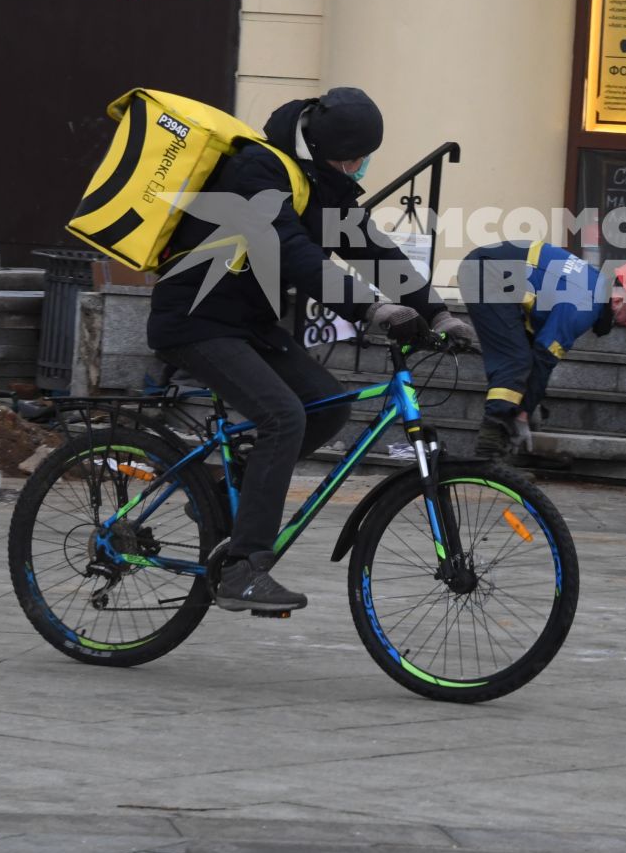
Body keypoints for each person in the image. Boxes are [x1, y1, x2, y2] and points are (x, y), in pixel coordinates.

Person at [146, 87, 479, 613]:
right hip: (196, 321)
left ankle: (231, 487)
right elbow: (292, 253)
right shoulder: (259, 170)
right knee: (283, 417)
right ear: (338, 152)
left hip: (249, 324)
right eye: (358, 157)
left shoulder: (319, 183)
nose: (362, 166)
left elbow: (371, 246)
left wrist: (435, 309)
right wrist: (369, 309)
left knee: (327, 405)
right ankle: (242, 570)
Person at [457, 242, 626, 462]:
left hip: (490, 272)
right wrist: (523, 415)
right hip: (486, 274)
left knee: (522, 358)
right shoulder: (584, 305)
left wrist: (527, 404)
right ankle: (487, 455)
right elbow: (544, 357)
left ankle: (500, 453)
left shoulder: (593, 285)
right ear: (619, 301)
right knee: (515, 361)